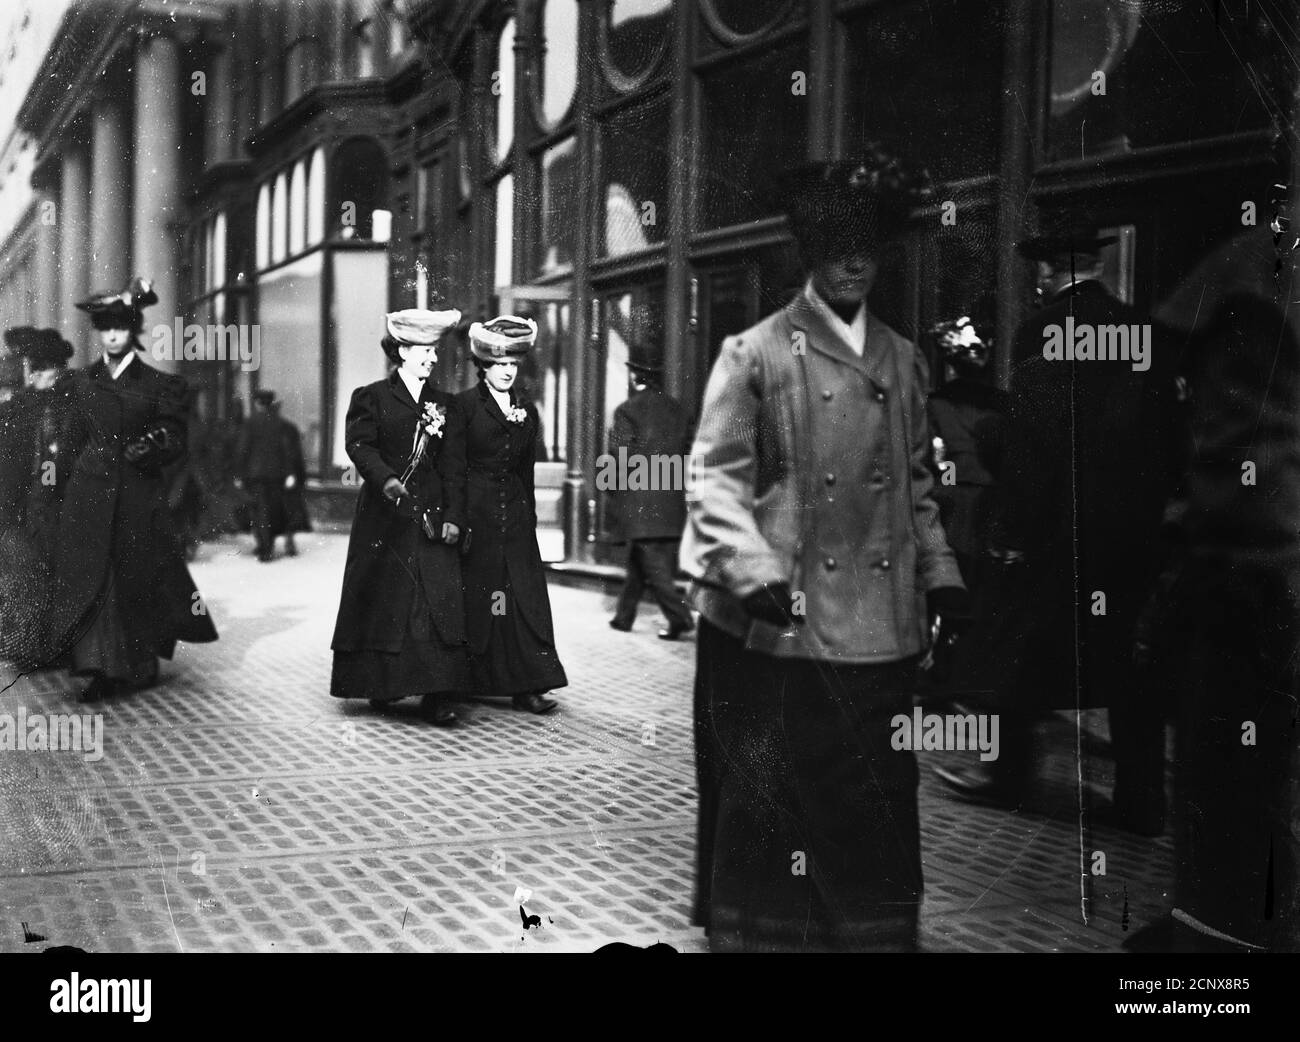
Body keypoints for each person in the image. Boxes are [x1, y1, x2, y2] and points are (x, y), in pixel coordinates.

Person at [680, 149, 967, 952]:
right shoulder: (757, 352)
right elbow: (715, 483)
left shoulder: (904, 360)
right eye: (838, 244)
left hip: (882, 624)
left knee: (872, 790)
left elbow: (915, 488)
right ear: (809, 251)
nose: (854, 261)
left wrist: (942, 579)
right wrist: (752, 573)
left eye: (869, 245)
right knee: (784, 795)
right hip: (785, 623)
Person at [934, 220, 1187, 837]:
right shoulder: (1142, 331)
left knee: (1015, 648)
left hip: (1055, 529)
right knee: (1130, 668)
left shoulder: (1044, 332)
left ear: (1046, 273)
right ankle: (1141, 801)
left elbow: (1035, 441)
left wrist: (1012, 524)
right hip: (1131, 533)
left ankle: (1007, 775)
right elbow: (1168, 434)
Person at [47, 277, 218, 702]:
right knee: (95, 578)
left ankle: (138, 662)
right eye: (105, 329)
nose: (112, 335)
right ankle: (100, 667)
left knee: (135, 575)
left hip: (138, 495)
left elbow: (177, 437)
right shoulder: (81, 383)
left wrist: (155, 443)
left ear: (134, 330)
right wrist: (56, 490)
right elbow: (69, 442)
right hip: (88, 494)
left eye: (120, 327)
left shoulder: (160, 385)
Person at [330, 309, 468, 727]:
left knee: (436, 604)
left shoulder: (445, 404)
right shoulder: (370, 397)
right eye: (423, 350)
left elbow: (455, 467)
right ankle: (383, 685)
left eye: (434, 351)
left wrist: (455, 517)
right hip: (385, 519)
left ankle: (437, 696)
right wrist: (386, 479)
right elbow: (359, 445)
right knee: (385, 602)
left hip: (431, 520)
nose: (431, 358)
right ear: (401, 352)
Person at [456, 315, 568, 715]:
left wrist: (531, 518)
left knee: (522, 601)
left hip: (516, 519)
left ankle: (529, 686)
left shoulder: (528, 410)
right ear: (483, 366)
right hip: (476, 516)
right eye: (499, 364)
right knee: (481, 599)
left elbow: (526, 470)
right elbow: (453, 468)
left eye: (513, 365)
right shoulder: (464, 408)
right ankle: (463, 682)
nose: (506, 372)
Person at [0, 327, 76, 666]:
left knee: (51, 573)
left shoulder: (68, 403)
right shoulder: (19, 406)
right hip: (21, 502)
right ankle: (30, 648)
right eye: (33, 366)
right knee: (24, 575)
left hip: (56, 502)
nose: (37, 374)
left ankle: (52, 647)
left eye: (46, 367)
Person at [607, 353, 694, 639]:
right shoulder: (678, 410)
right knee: (642, 559)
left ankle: (679, 617)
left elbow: (619, 458)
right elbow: (691, 455)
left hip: (640, 500)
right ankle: (623, 617)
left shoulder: (627, 410)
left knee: (653, 566)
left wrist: (612, 494)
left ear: (634, 377)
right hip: (671, 500)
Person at [235, 389, 310, 561]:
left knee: (259, 511)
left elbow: (242, 450)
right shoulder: (282, 423)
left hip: (255, 475)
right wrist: (290, 473)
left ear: (257, 403)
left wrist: (239, 474)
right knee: (272, 510)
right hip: (277, 475)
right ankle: (268, 545)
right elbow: (288, 451)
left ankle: (265, 548)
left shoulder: (250, 423)